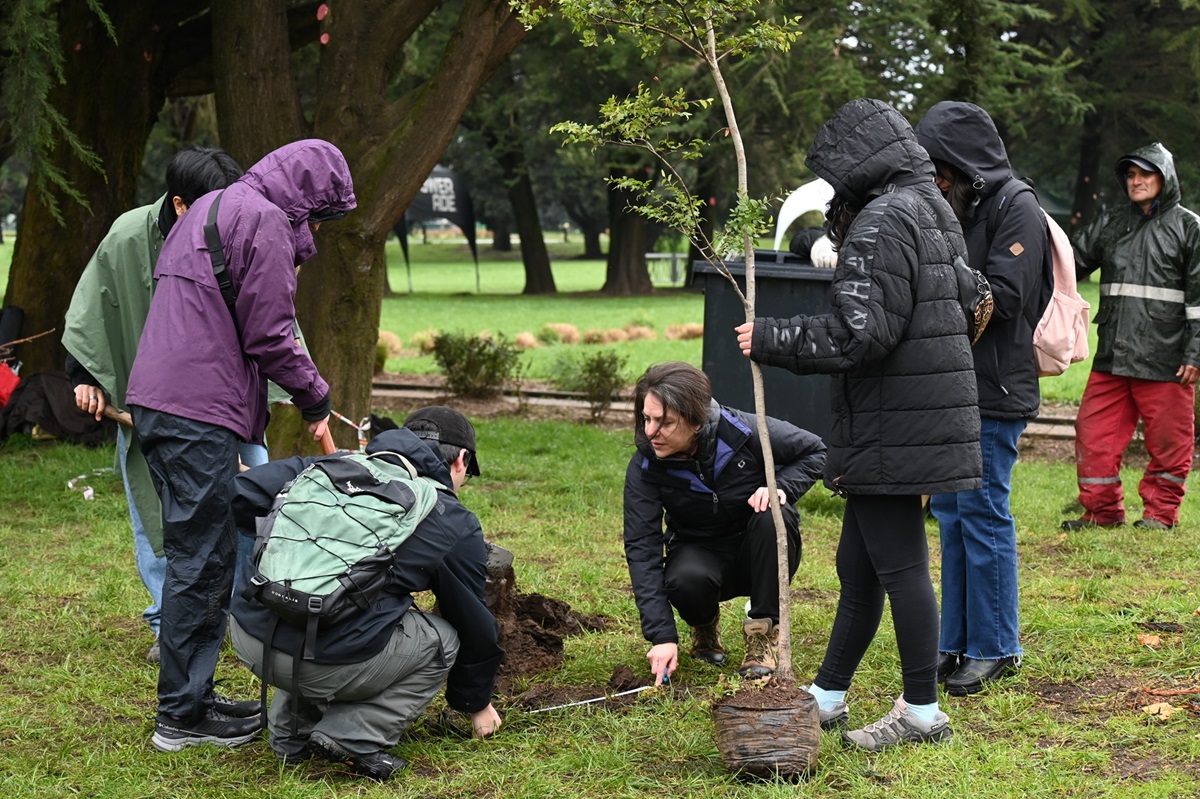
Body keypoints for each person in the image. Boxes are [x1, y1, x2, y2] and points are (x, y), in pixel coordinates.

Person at [736, 98, 982, 751]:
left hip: (892, 420)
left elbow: (857, 334)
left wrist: (770, 336)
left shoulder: (880, 222)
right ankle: (827, 694)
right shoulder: (931, 210)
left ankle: (923, 711)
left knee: (899, 565)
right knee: (860, 563)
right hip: (918, 414)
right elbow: (970, 297)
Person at [126, 139, 356, 752]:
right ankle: (181, 717)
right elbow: (271, 331)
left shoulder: (211, 208)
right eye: (317, 214)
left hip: (158, 398)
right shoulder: (263, 220)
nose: (313, 228)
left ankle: (192, 698)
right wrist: (315, 397)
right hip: (194, 407)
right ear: (305, 197)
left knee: (197, 551)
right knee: (202, 558)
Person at [228, 406, 503, 780]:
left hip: (249, 634)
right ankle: (351, 736)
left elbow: (241, 493)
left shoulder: (328, 466)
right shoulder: (448, 516)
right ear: (461, 461)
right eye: (466, 476)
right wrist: (476, 703)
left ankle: (289, 735)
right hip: (321, 662)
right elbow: (472, 622)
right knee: (443, 639)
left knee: (337, 603)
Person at [62, 146, 256, 665]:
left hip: (227, 406)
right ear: (179, 205)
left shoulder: (236, 230)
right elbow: (92, 306)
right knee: (158, 515)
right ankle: (168, 622)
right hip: (148, 407)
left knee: (248, 507)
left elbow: (271, 314)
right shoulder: (127, 237)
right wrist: (87, 376)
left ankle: (240, 617)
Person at [914, 101, 1054, 696]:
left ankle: (997, 647)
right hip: (951, 386)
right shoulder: (959, 203)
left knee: (983, 513)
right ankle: (954, 640)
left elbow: (1007, 299)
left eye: (940, 166)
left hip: (995, 388)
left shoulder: (1017, 205)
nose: (933, 178)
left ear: (965, 163)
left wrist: (936, 272)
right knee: (948, 514)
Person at [623, 361, 826, 684]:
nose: (650, 432)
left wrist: (780, 487)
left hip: (758, 551)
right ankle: (703, 626)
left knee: (775, 513)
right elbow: (642, 548)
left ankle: (762, 633)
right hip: (699, 554)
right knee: (684, 578)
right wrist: (662, 635)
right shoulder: (646, 466)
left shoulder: (743, 432)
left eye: (665, 422)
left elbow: (815, 450)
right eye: (646, 419)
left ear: (696, 420)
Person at [1063, 142, 1200, 531]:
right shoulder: (1111, 223)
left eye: (1145, 173)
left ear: (1165, 177)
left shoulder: (1190, 228)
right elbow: (1068, 261)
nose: (1136, 181)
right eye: (1130, 175)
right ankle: (1101, 513)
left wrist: (1196, 351)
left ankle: (1160, 514)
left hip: (1168, 358)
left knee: (1170, 443)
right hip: (1114, 354)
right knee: (1093, 436)